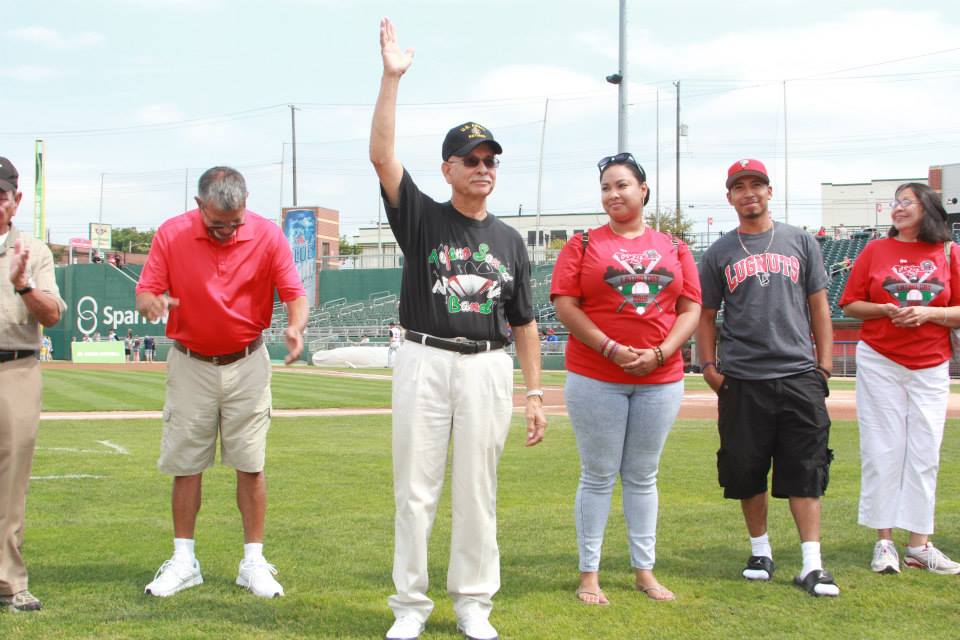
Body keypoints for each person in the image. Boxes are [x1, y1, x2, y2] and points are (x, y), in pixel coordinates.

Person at [371, 18, 547, 640]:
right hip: (424, 357)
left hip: (488, 364)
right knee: (415, 492)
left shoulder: (509, 240)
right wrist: (392, 79)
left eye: (490, 159)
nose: (483, 167)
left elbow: (524, 321)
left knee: (478, 491)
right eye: (471, 159)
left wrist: (532, 392)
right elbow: (383, 156)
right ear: (447, 169)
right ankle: (410, 608)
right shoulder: (421, 218)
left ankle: (474, 603)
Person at [136, 166, 307, 599]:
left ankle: (253, 562)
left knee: (250, 463)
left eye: (234, 224)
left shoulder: (267, 235)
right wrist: (151, 304)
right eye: (217, 225)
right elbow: (145, 294)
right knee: (185, 463)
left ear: (246, 205)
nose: (227, 233)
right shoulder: (172, 234)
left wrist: (296, 327)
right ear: (199, 206)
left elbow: (294, 294)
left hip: (248, 360)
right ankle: (183, 561)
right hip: (190, 361)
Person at [551, 152, 701, 604]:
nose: (612, 194)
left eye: (621, 185)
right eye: (605, 188)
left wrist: (662, 352)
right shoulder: (581, 243)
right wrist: (611, 348)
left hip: (661, 377)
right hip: (596, 374)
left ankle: (644, 571)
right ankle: (589, 574)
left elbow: (691, 307)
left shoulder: (674, 246)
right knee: (598, 475)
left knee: (642, 476)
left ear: (643, 190)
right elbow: (565, 303)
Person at [696, 159, 839, 597]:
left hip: (798, 374)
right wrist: (709, 369)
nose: (749, 192)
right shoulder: (720, 250)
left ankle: (811, 564)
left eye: (756, 184)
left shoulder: (799, 240)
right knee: (745, 469)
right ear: (730, 197)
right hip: (743, 377)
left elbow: (819, 306)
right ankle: (761, 551)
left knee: (806, 469)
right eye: (740, 187)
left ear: (769, 191)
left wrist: (824, 367)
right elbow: (705, 316)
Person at [839, 182, 960, 575]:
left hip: (931, 363)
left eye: (907, 202)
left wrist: (930, 315)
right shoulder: (875, 250)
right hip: (880, 360)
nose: (898, 208)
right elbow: (851, 303)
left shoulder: (947, 252)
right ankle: (885, 543)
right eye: (896, 203)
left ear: (927, 208)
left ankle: (919, 545)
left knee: (924, 453)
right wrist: (887, 310)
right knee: (882, 450)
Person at [0, 155, 66, 611]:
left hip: (15, 369)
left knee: (11, 481)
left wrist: (23, 285)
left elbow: (54, 316)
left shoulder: (34, 251)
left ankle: (8, 582)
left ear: (15, 200)